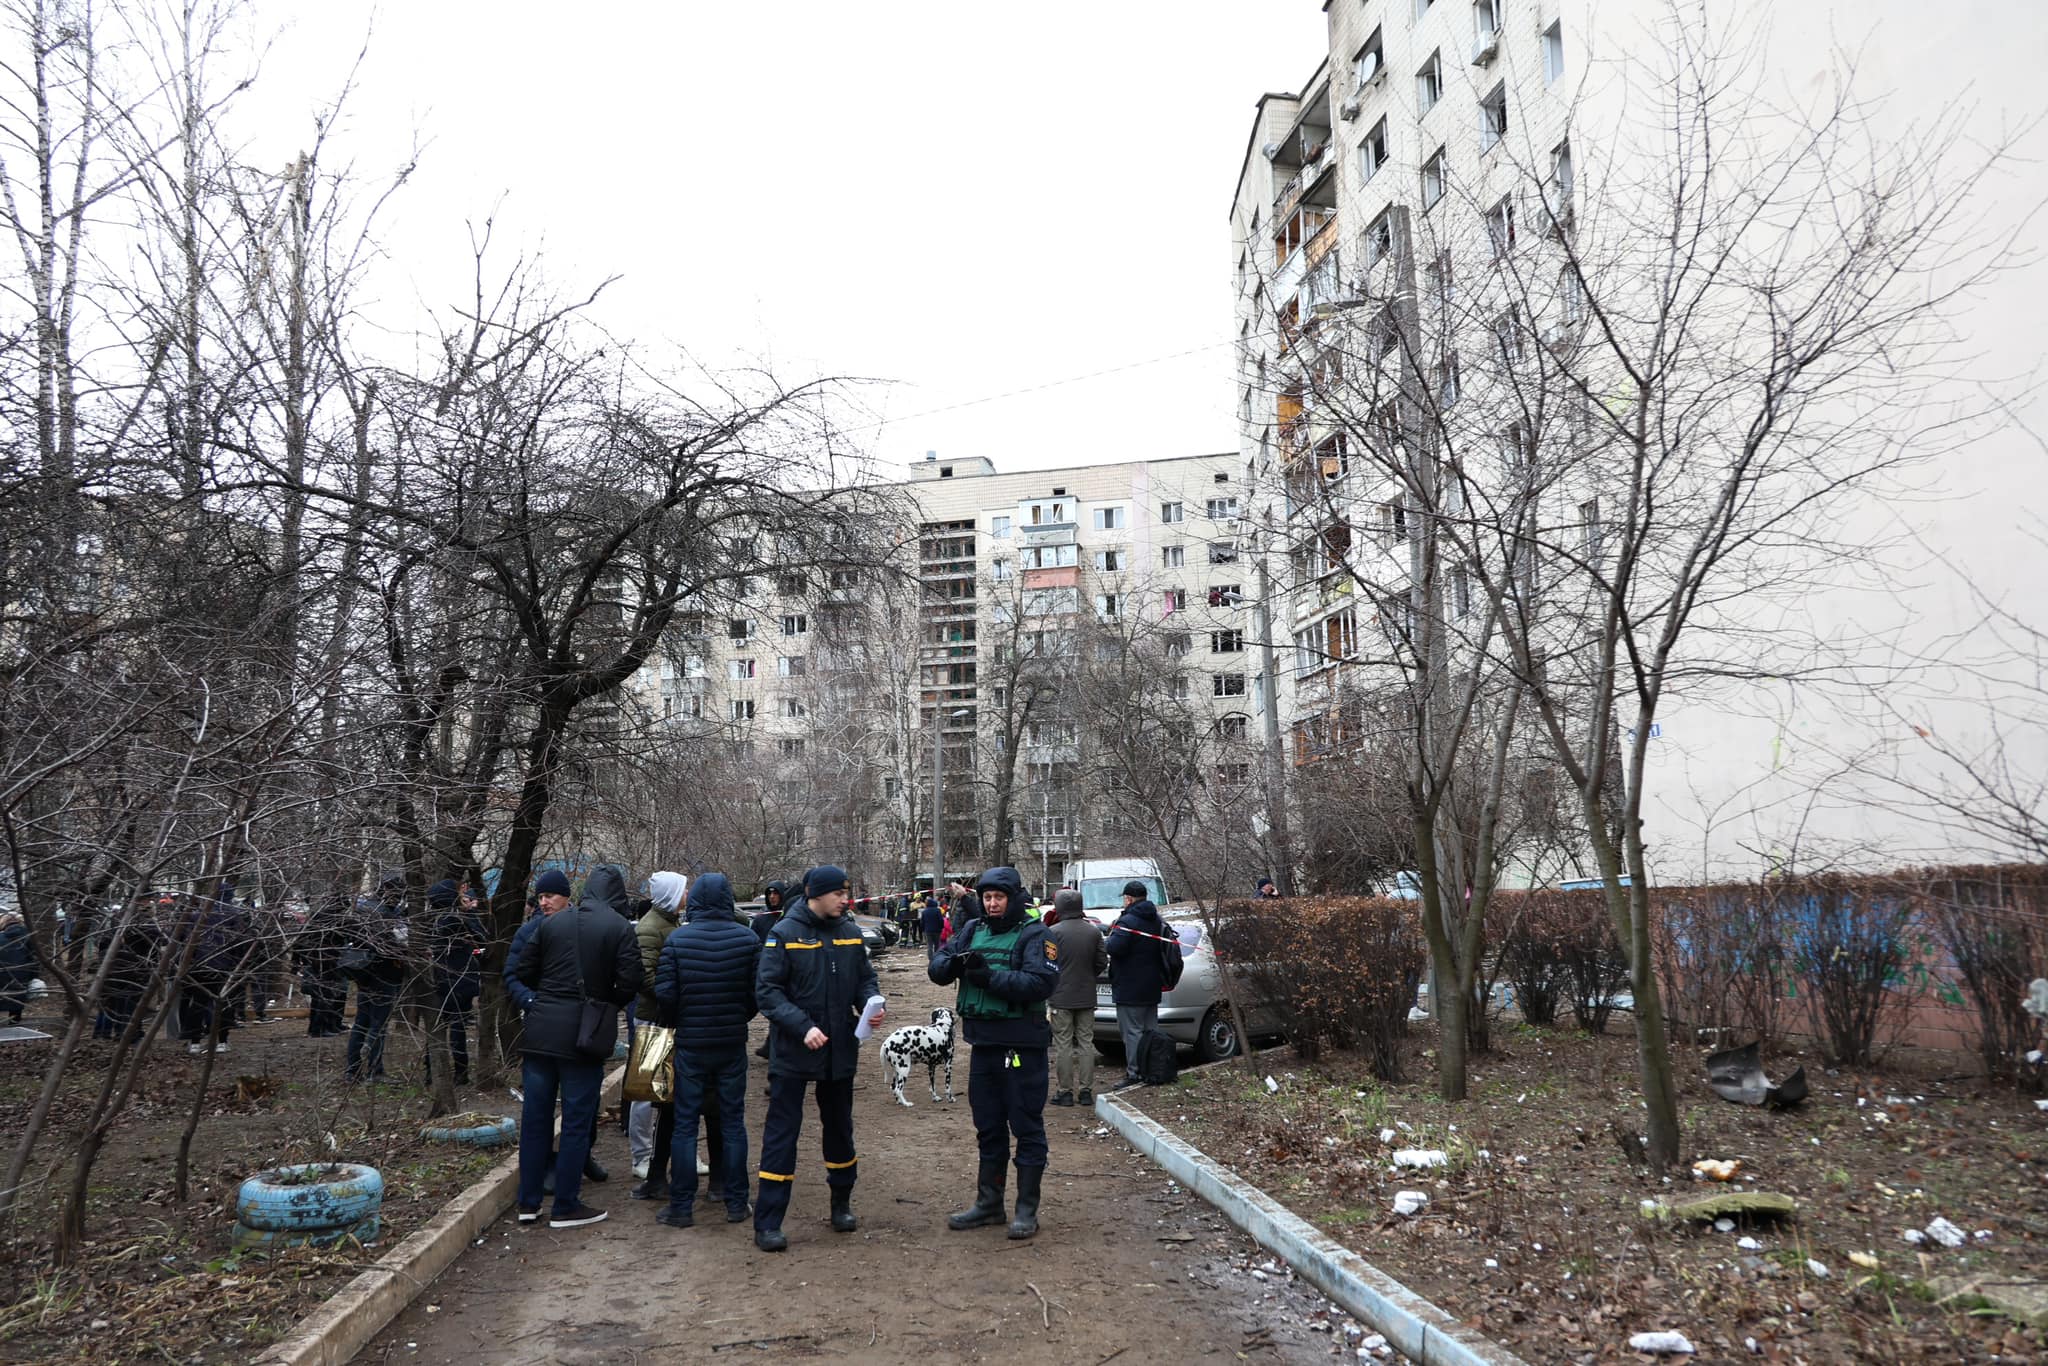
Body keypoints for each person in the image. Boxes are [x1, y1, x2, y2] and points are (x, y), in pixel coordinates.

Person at [751, 865, 880, 1252]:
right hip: (793, 1053)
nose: (845, 900)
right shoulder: (784, 934)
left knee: (839, 1129)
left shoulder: (850, 932)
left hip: (839, 1051)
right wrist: (802, 1026)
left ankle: (841, 1204)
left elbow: (865, 979)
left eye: (846, 893)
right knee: (782, 1134)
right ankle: (768, 1222)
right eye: (839, 894)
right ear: (816, 895)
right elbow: (768, 992)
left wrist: (870, 1004)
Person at [929, 866, 1059, 1239]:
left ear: (1013, 898)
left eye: (998, 897)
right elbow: (937, 965)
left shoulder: (1036, 935)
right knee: (987, 1126)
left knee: (1026, 1126)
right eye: (986, 897)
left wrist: (989, 978)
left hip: (1021, 1048)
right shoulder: (973, 929)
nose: (992, 904)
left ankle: (1026, 1211)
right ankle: (989, 1204)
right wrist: (951, 964)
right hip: (984, 1046)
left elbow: (1042, 982)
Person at [513, 864, 643, 1229]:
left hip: (539, 1034)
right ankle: (566, 1205)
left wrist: (549, 994)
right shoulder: (619, 927)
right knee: (575, 1121)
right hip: (583, 1037)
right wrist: (604, 1003)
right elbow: (630, 981)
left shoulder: (551, 923)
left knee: (535, 1121)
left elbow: (524, 971)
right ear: (616, 894)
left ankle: (528, 1203)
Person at [652, 871, 759, 1228]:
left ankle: (681, 1207)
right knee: (732, 1123)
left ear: (695, 900)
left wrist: (684, 1019)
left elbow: (665, 995)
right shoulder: (747, 940)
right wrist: (737, 1018)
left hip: (691, 1045)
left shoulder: (678, 941)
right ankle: (736, 1202)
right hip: (731, 1043)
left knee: (684, 1125)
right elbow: (756, 995)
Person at [629, 871, 687, 1193]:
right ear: (671, 894)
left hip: (670, 1017)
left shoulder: (671, 923)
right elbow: (644, 976)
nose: (687, 895)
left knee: (675, 1092)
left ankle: (678, 1154)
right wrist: (675, 994)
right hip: (653, 1019)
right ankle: (641, 1156)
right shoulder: (650, 927)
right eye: (683, 890)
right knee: (645, 1094)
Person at [1044, 887, 1108, 1107]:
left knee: (1063, 1044)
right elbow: (1102, 962)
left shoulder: (1052, 932)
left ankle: (1065, 1092)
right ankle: (1086, 1091)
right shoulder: (1093, 932)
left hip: (1060, 996)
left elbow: (1047, 964)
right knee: (1086, 1043)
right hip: (1087, 995)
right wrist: (1088, 976)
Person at [1105, 880, 1172, 1091]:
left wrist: (1107, 939)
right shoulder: (1155, 918)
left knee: (1132, 1032)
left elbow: (1115, 947)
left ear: (1128, 899)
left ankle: (1134, 1073)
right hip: (1152, 984)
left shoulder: (1128, 921)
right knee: (1150, 1029)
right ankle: (1152, 1069)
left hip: (1129, 986)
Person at [344, 874, 408, 1082]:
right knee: (378, 1024)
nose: (399, 899)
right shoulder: (383, 913)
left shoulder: (365, 909)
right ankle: (375, 1070)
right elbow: (389, 946)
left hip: (364, 973)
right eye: (398, 894)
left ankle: (352, 1070)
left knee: (362, 1022)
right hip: (383, 973)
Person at [426, 879, 486, 1087]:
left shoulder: (433, 920)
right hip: (459, 980)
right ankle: (460, 1071)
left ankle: (431, 1071)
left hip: (441, 980)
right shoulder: (456, 919)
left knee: (439, 1026)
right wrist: (471, 914)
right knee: (457, 1026)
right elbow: (482, 938)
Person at [297, 891, 350, 1037]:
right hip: (325, 962)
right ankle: (320, 1028)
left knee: (322, 996)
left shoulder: (318, 917)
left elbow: (301, 939)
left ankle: (324, 1026)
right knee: (324, 996)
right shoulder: (332, 919)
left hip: (319, 961)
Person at [0, 910, 32, 1024]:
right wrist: (33, 976)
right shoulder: (28, 937)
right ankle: (14, 1023)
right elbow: (34, 959)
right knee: (17, 1001)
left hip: (2, 973)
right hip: (22, 973)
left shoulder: (1, 937)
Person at [920, 895, 947, 963]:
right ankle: (936, 957)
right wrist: (941, 927)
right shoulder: (938, 911)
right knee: (937, 945)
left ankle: (930, 959)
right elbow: (941, 920)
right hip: (937, 930)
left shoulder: (924, 911)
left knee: (929, 945)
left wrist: (923, 929)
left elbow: (922, 922)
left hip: (928, 931)